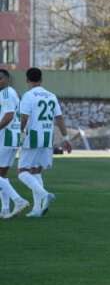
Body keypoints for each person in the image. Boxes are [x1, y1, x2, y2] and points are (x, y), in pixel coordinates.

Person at [16, 67, 72, 217]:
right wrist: (66, 138)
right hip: (48, 138)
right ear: (41, 80)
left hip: (33, 137)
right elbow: (59, 118)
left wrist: (19, 134)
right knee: (36, 171)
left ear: (27, 80)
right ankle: (37, 209)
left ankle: (44, 194)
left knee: (22, 172)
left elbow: (24, 118)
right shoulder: (51, 96)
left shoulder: (28, 96)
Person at [0, 69, 30, 218]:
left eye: (0, 78)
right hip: (12, 138)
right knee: (2, 175)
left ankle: (18, 200)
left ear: (7, 79)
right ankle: (5, 209)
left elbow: (9, 115)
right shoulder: (12, 92)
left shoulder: (5, 93)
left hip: (5, 138)